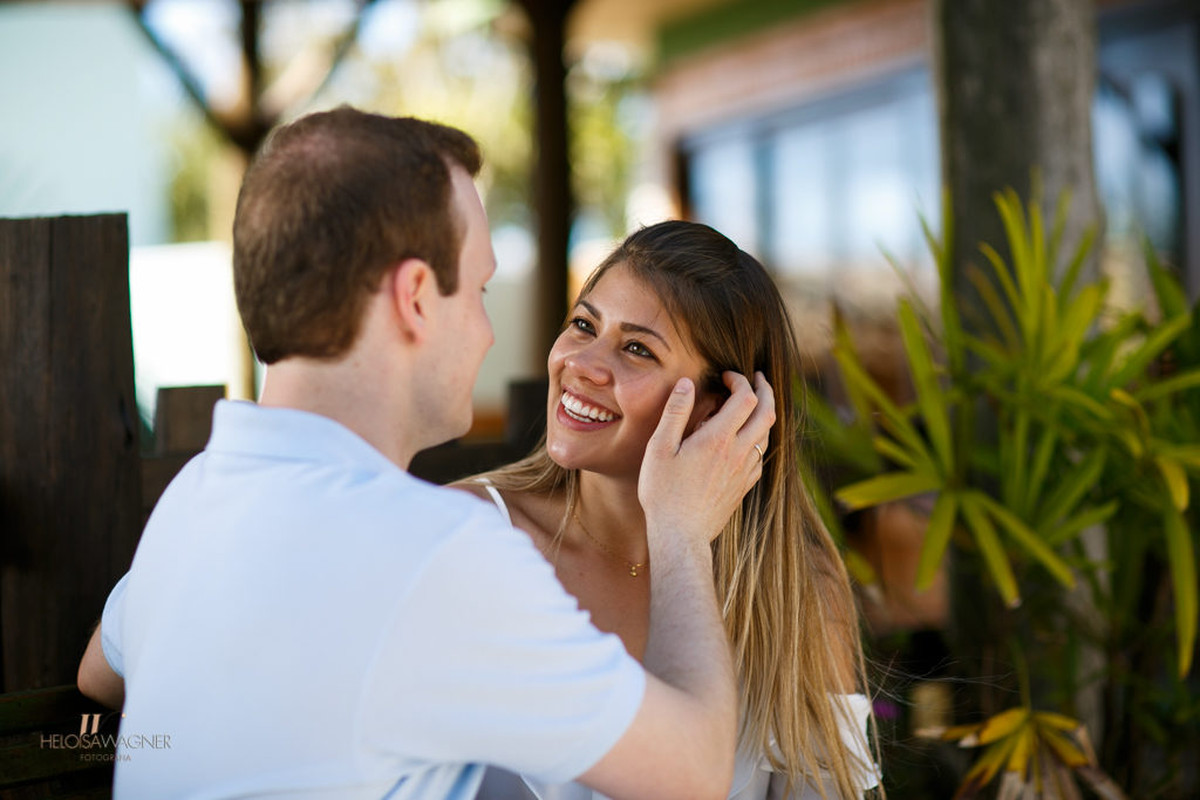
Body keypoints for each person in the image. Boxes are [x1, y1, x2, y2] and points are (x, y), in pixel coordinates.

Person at [75, 107, 776, 799]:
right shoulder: (438, 553)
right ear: (415, 297)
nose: (487, 334)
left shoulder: (196, 499)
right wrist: (682, 534)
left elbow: (96, 679)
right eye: (477, 291)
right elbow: (694, 774)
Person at [458, 221, 880, 800]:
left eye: (636, 349)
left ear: (723, 409)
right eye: (584, 324)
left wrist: (678, 533)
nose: (583, 363)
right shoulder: (466, 537)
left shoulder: (795, 588)